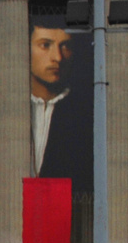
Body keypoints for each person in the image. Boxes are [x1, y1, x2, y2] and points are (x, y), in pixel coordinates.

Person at [31, 24, 93, 189]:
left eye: (65, 47)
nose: (57, 57)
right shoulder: (9, 109)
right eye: (45, 45)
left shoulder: (88, 114)